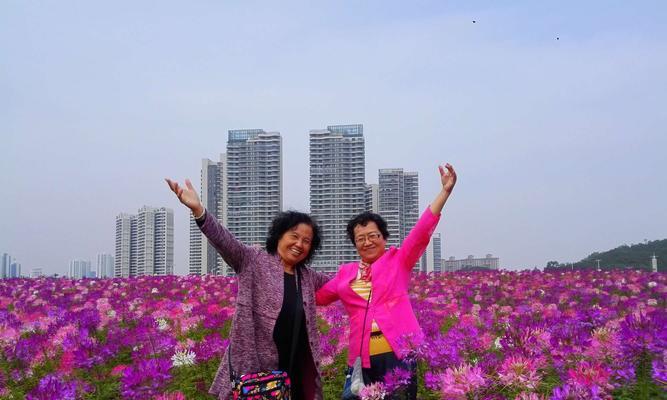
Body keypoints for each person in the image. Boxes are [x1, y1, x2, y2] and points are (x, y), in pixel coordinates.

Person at [166, 178, 330, 400]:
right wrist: (199, 211)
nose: (299, 244)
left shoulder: (308, 277)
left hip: (296, 376)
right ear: (279, 235)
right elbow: (225, 241)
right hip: (255, 377)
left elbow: (341, 283)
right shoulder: (253, 260)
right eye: (294, 236)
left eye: (306, 241)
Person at [316, 163, 457, 399]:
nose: (367, 242)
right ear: (354, 244)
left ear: (384, 238)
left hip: (399, 355)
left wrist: (444, 192)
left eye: (373, 236)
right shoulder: (345, 273)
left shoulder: (398, 261)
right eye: (360, 238)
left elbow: (421, 232)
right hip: (362, 361)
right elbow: (317, 297)